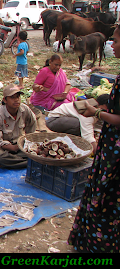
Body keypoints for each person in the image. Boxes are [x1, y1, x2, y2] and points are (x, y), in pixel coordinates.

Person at [68, 25, 120, 253]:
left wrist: (97, 112)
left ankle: (100, 246)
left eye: (116, 41)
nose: (112, 45)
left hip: (115, 148)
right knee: (102, 192)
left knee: (107, 195)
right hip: (111, 143)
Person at [0, 84, 37, 169]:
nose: (16, 100)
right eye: (12, 97)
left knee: (35, 150)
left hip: (17, 143)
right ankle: (29, 162)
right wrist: (14, 148)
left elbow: (32, 123)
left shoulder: (24, 109)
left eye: (18, 96)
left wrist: (28, 141)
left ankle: (14, 162)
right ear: (5, 100)